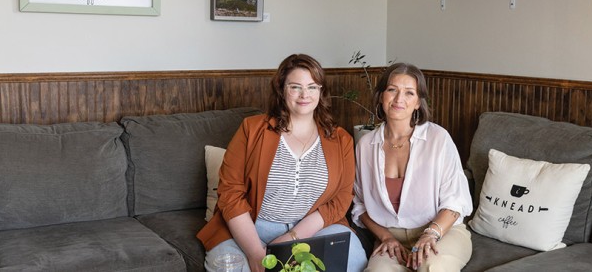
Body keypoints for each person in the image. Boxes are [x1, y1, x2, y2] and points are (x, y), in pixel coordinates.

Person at [198, 53, 367, 272]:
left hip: (312, 229)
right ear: (281, 90)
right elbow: (230, 193)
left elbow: (341, 199)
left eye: (313, 87)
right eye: (295, 87)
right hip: (250, 227)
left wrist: (292, 238)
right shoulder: (252, 129)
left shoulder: (341, 139)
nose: (304, 94)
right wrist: (255, 253)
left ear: (321, 91)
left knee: (353, 259)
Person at [352, 63, 473, 272]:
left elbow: (456, 201)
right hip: (390, 239)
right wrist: (385, 237)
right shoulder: (365, 145)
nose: (399, 99)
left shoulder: (438, 139)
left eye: (409, 93)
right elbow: (360, 205)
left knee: (431, 266)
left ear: (418, 102)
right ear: (381, 96)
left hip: (442, 232)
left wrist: (430, 234)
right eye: (392, 90)